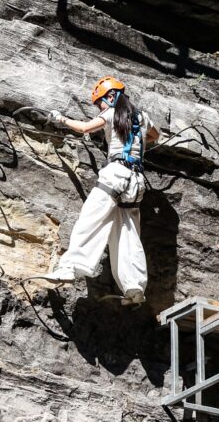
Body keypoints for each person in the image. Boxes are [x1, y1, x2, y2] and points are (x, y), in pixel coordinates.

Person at [41, 76, 160, 305]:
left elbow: (85, 128)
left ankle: (70, 267)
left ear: (112, 96)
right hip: (136, 183)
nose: (99, 107)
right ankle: (133, 285)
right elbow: (155, 136)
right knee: (127, 235)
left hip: (115, 175)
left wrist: (61, 118)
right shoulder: (142, 117)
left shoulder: (110, 113)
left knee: (90, 222)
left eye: (99, 103)